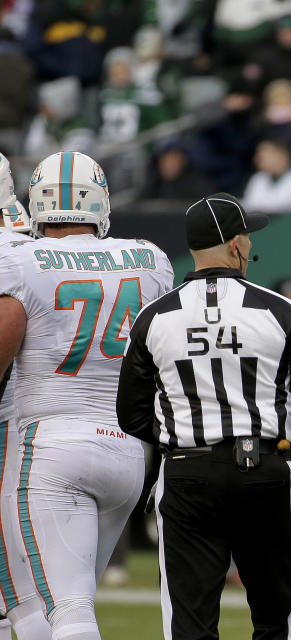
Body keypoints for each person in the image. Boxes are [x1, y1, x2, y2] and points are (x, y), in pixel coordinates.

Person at [115, 192, 291, 640]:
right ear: (236, 245)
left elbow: (130, 412)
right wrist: (276, 439)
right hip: (262, 469)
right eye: (247, 238)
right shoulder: (278, 309)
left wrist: (180, 441)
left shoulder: (154, 316)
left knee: (190, 625)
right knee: (277, 620)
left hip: (186, 473)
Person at [0, 151, 173, 640]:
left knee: (62, 611)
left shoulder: (19, 259)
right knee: (65, 607)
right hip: (126, 451)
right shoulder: (149, 257)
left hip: (51, 447)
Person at [0, 155, 51, 640]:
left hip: (7, 420)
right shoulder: (29, 241)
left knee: (14, 588)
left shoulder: (8, 254)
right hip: (41, 414)